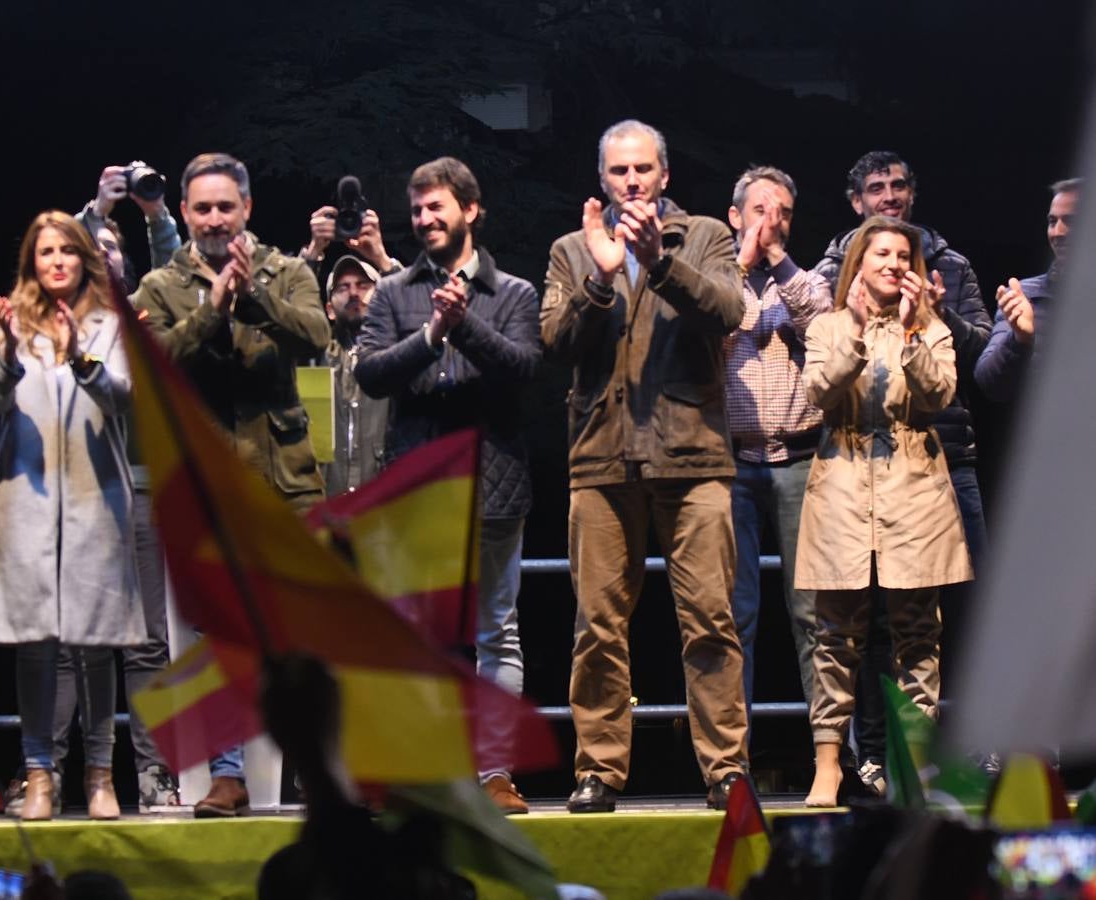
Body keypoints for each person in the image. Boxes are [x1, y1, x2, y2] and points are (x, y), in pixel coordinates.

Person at [540, 119, 749, 813]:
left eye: (644, 170)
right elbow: (555, 341)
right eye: (619, 171)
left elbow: (727, 310)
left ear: (665, 177)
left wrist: (659, 262)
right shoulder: (573, 249)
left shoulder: (706, 238)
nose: (632, 181)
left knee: (710, 620)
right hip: (600, 459)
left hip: (693, 457)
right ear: (603, 179)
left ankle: (727, 768)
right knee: (597, 625)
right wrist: (600, 280)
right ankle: (598, 769)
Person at [133, 152, 330, 817]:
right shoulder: (160, 285)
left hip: (285, 479)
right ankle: (228, 776)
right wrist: (213, 310)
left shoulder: (289, 271)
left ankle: (316, 770)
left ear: (246, 209)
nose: (215, 219)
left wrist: (256, 298)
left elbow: (317, 335)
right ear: (185, 214)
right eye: (202, 208)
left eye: (226, 207)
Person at [355, 156, 542, 814]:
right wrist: (433, 333)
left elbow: (523, 369)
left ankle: (494, 775)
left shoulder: (514, 292)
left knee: (497, 630)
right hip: (420, 482)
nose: (424, 219)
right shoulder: (393, 293)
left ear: (471, 210)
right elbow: (372, 375)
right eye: (417, 209)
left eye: (437, 207)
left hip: (494, 482)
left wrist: (466, 324)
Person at [814, 151, 990, 788]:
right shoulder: (832, 311)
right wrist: (858, 330)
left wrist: (923, 325)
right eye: (875, 188)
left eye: (898, 186)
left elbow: (954, 381)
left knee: (932, 625)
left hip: (930, 475)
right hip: (846, 486)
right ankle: (848, 761)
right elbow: (820, 393)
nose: (891, 264)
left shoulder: (945, 291)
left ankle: (929, 758)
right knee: (845, 632)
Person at [0, 210, 145, 821]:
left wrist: (81, 358)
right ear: (31, 261)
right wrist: (9, 353)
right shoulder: (11, 322)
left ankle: (100, 776)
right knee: (35, 647)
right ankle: (40, 775)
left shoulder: (108, 323)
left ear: (82, 260)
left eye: (67, 252)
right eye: (45, 252)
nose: (56, 262)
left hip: (95, 500)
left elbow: (124, 399)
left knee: (96, 645)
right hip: (27, 505)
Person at [722, 166, 831, 714]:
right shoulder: (714, 288)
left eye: (783, 211)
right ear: (735, 217)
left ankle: (836, 756)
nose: (773, 221)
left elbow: (821, 321)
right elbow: (703, 334)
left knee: (813, 612)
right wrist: (742, 262)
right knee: (733, 614)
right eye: (761, 210)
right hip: (731, 464)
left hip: (800, 461)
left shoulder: (808, 281)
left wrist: (774, 261)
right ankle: (730, 762)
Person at [975, 178, 1081, 401]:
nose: (1058, 232)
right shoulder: (1025, 295)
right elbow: (989, 382)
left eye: (1071, 221)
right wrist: (1020, 339)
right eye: (1053, 221)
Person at [320, 254, 392, 495]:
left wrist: (382, 258)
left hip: (385, 498)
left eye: (363, 285)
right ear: (329, 309)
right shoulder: (316, 356)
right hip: (326, 498)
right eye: (343, 287)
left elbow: (415, 310)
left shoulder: (396, 357)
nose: (354, 293)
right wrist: (311, 257)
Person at [77, 162, 182, 291]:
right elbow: (69, 239)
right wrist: (96, 213)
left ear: (123, 264)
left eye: (110, 246)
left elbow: (169, 280)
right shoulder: (69, 307)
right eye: (94, 247)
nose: (103, 252)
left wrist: (158, 216)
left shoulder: (138, 308)